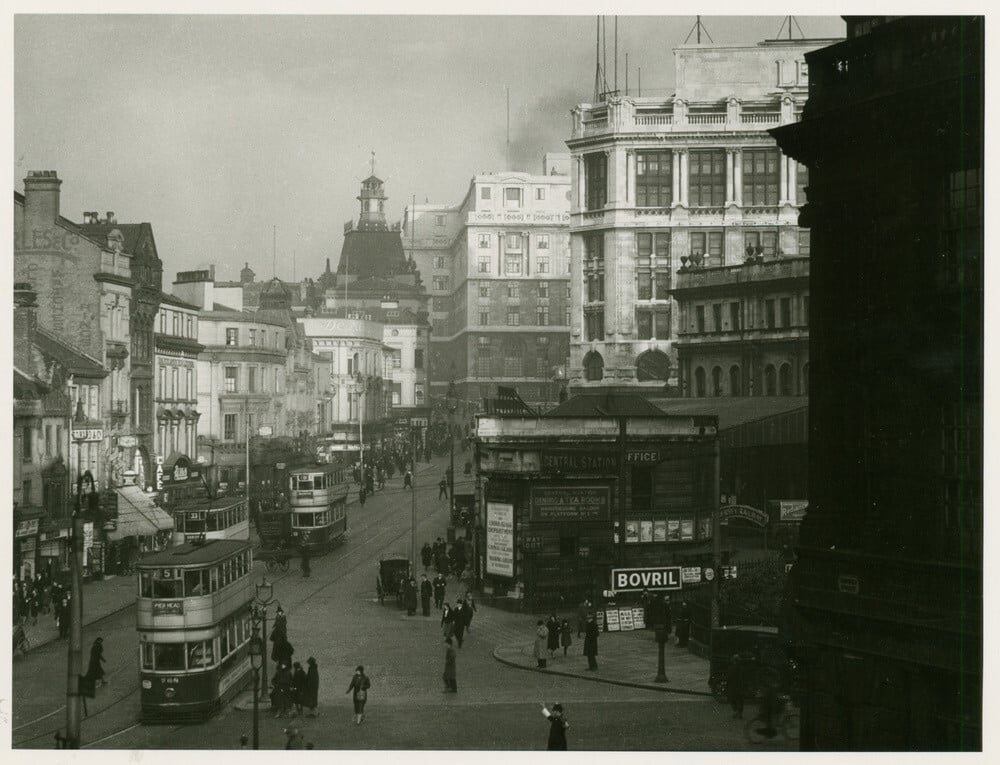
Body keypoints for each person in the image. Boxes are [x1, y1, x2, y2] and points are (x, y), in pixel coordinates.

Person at [727, 652, 747, 719]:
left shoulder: (731, 668)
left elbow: (729, 678)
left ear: (734, 660)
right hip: (740, 687)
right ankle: (740, 713)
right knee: (740, 700)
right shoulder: (742, 668)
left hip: (733, 687)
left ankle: (735, 711)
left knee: (732, 699)